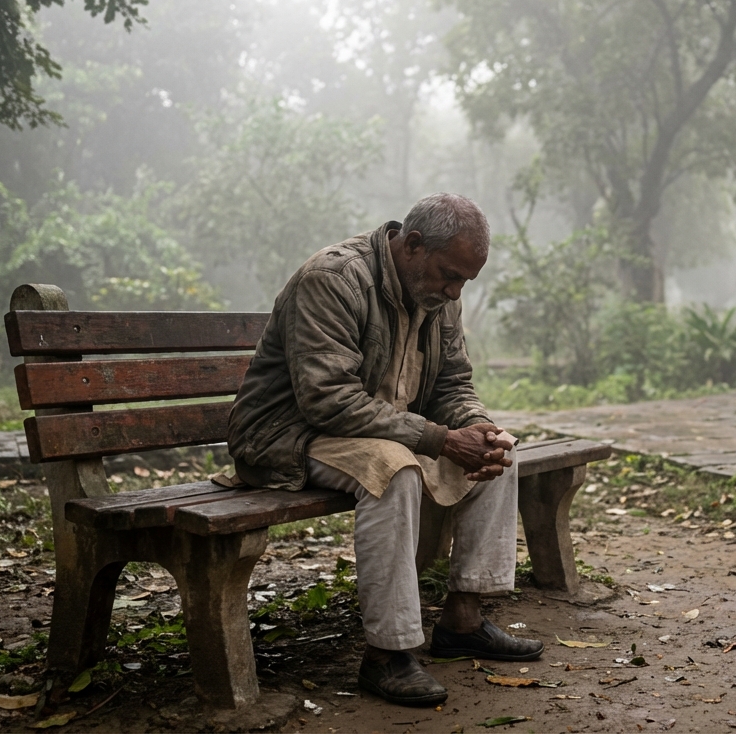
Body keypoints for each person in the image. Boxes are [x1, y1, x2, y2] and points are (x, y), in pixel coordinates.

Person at [226, 193, 542, 706]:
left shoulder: (439, 293)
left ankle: (463, 618)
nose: (455, 289)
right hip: (285, 436)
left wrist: (477, 426)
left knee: (498, 452)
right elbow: (326, 399)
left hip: (376, 431)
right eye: (449, 274)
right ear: (413, 244)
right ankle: (386, 654)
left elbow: (453, 384)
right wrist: (438, 438)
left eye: (465, 280)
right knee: (393, 470)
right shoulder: (334, 278)